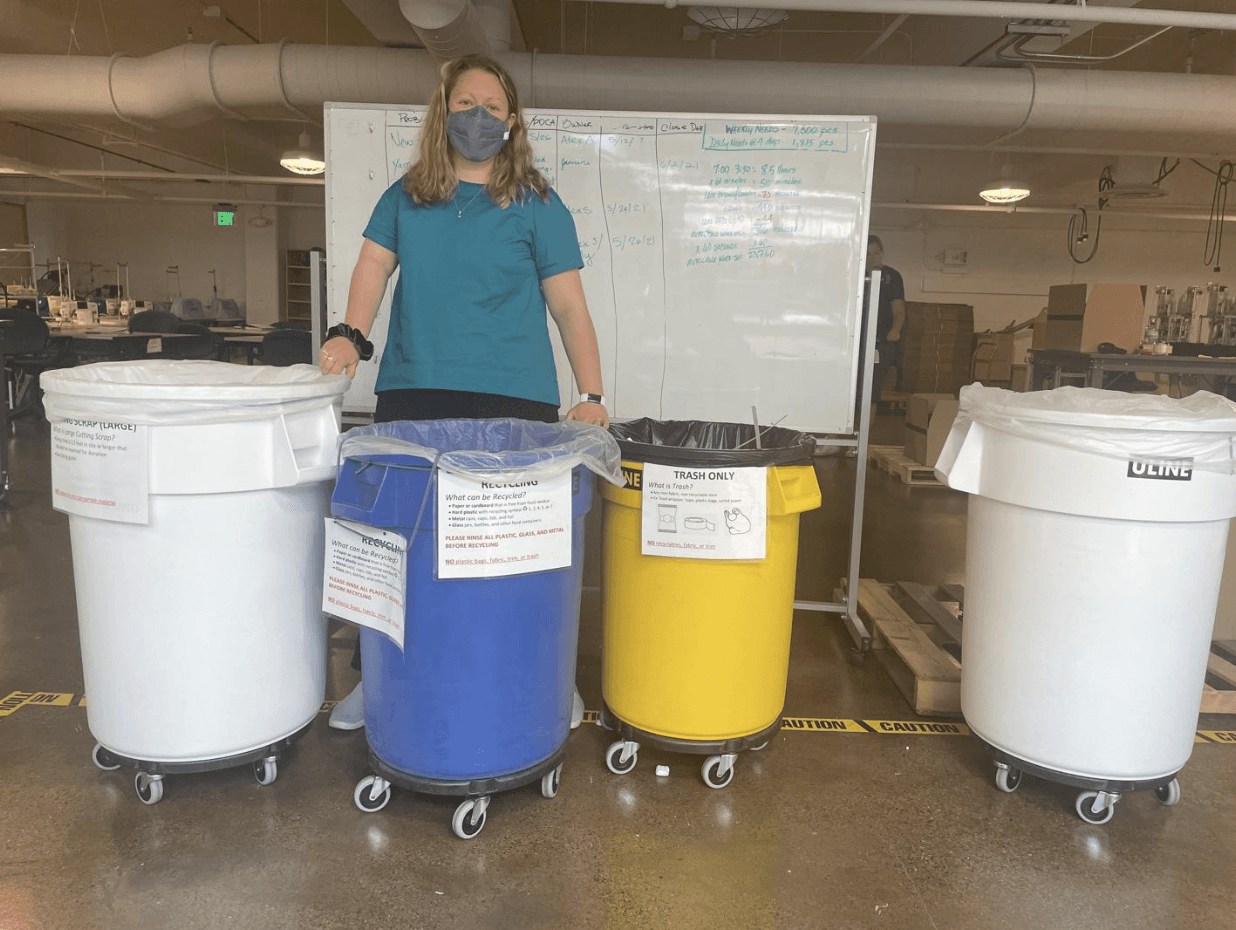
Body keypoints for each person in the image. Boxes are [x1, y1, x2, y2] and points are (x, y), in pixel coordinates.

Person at [320, 54, 608, 730]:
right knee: (400, 545)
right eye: (465, 102)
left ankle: (545, 676)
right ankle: (378, 681)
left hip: (515, 405)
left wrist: (591, 392)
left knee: (520, 550)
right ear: (441, 111)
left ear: (511, 123)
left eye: (492, 106)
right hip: (415, 394)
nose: (477, 116)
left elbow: (570, 308)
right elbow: (371, 269)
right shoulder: (405, 196)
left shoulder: (537, 203)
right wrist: (349, 338)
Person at [859, 235, 906, 411]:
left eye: (876, 254)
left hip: (881, 341)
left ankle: (866, 432)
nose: (872, 259)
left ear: (882, 253)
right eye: (868, 255)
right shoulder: (856, 275)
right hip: (856, 340)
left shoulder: (892, 277)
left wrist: (895, 330)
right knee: (850, 388)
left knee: (871, 390)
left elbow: (899, 309)